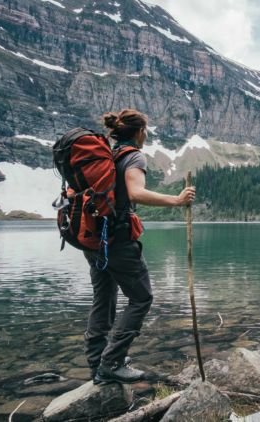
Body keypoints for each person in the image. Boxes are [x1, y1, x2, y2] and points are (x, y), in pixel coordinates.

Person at [84, 108, 196, 384]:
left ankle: (97, 362)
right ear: (139, 132)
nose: (146, 135)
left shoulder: (106, 156)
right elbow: (135, 193)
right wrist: (177, 201)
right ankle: (111, 362)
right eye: (146, 130)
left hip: (93, 238)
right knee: (141, 298)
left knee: (104, 298)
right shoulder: (133, 155)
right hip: (118, 241)